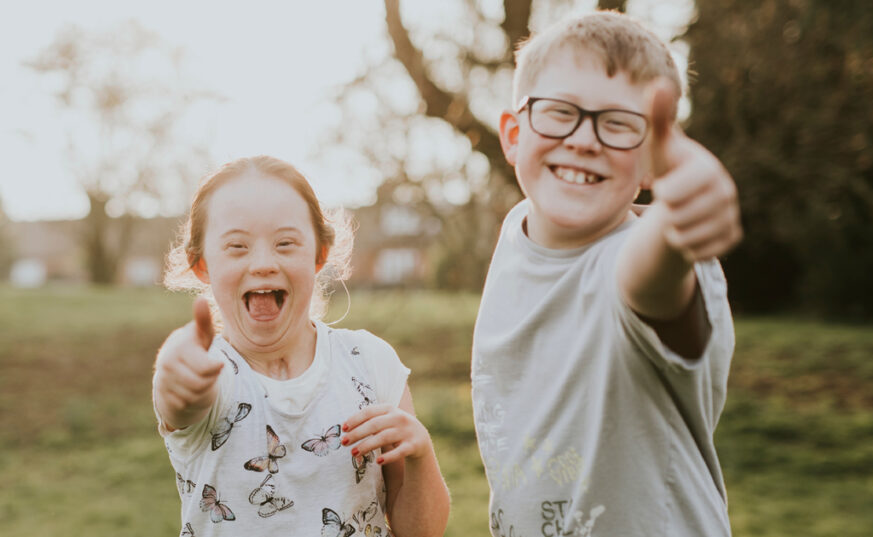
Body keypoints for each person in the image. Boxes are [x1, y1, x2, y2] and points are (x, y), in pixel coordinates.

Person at [471, 11, 742, 537]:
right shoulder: (514, 238)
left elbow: (647, 283)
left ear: (651, 164)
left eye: (618, 124)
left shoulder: (649, 257)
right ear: (512, 135)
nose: (584, 139)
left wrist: (678, 220)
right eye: (559, 112)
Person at [152, 155, 449, 537]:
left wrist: (421, 452)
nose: (262, 263)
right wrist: (173, 373)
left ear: (319, 254)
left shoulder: (370, 363)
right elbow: (180, 397)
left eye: (286, 243)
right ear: (202, 265)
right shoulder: (210, 373)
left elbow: (422, 532)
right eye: (237, 246)